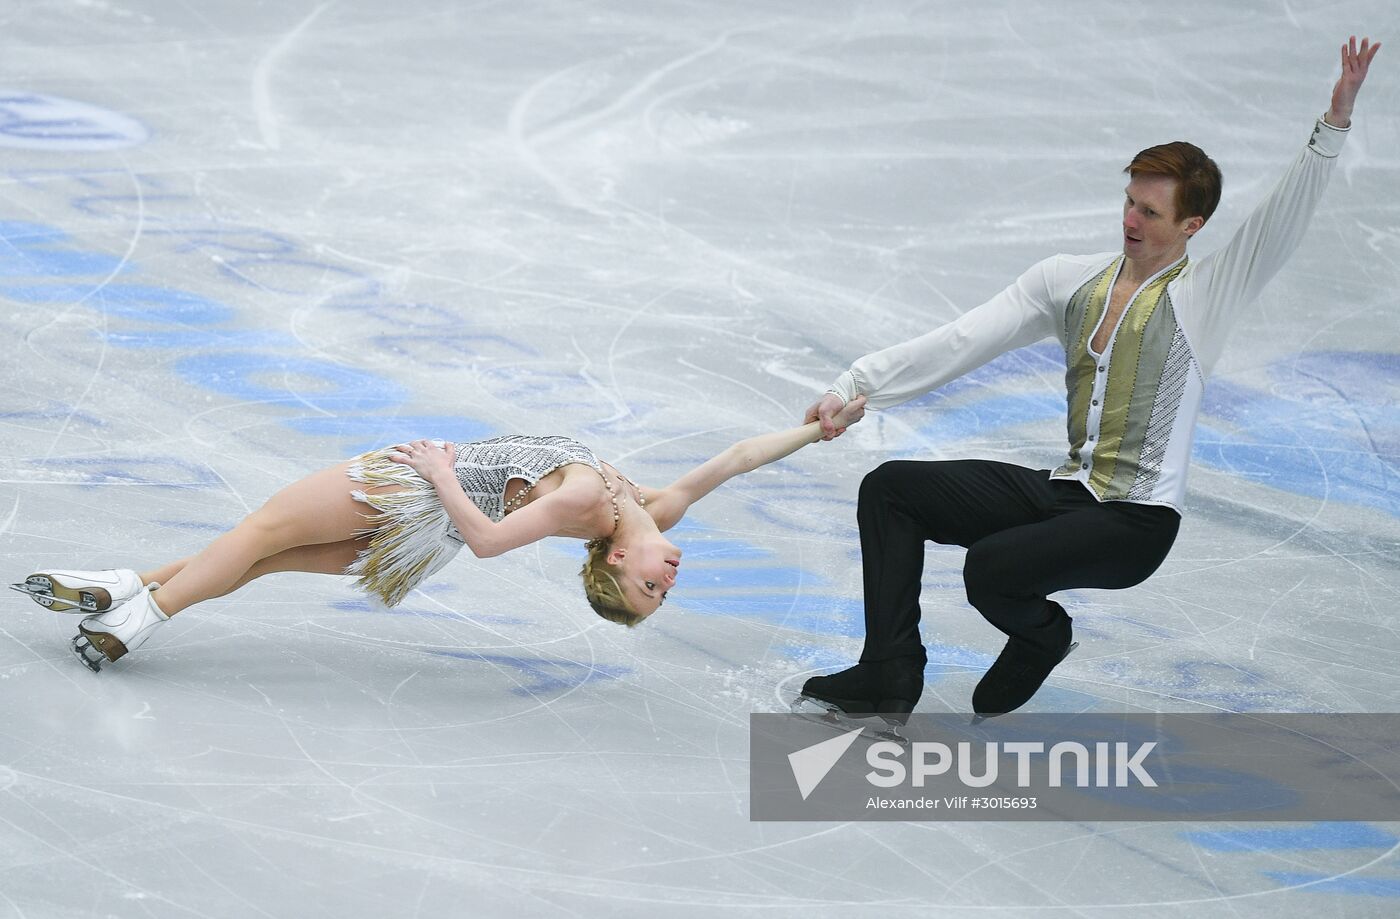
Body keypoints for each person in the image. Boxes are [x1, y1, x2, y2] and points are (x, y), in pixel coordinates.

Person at [798, 37, 1382, 723]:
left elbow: (1279, 224)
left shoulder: (1204, 296)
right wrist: (858, 383)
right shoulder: (1069, 281)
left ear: (1192, 225)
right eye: (1130, 201)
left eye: (1151, 213)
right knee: (892, 491)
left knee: (990, 568)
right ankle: (888, 670)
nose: (1130, 220)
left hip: (1134, 522)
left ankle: (1043, 633)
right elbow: (964, 339)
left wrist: (1333, 125)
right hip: (1064, 493)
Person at [13, 398, 866, 671]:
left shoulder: (586, 508)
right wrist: (817, 429)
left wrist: (442, 471)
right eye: (663, 588)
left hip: (419, 497)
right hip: (429, 536)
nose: (668, 578)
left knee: (261, 526)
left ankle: (136, 617)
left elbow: (493, 543)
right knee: (264, 556)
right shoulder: (654, 505)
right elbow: (739, 457)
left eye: (649, 586)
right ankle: (127, 583)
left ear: (613, 555)